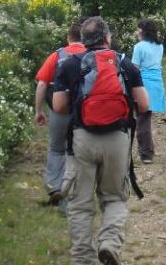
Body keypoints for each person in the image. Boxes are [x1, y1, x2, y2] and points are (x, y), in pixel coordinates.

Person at [53, 16, 150, 265]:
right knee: (115, 198)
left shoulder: (70, 65)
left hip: (82, 139)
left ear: (82, 40)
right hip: (117, 139)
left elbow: (59, 106)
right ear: (107, 38)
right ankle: (109, 244)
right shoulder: (124, 64)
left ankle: (83, 259)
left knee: (80, 204)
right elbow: (144, 104)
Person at [34, 17, 86, 205]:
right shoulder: (91, 56)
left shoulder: (57, 56)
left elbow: (42, 84)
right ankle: (74, 194)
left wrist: (38, 111)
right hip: (84, 114)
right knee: (78, 153)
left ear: (68, 37)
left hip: (59, 112)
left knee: (56, 149)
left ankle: (54, 186)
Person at [130, 18, 166, 164]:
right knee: (145, 118)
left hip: (143, 84)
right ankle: (148, 149)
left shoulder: (139, 47)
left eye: (139, 29)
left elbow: (134, 69)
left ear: (143, 31)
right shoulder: (160, 46)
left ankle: (146, 154)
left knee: (142, 120)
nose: (137, 32)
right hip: (157, 83)